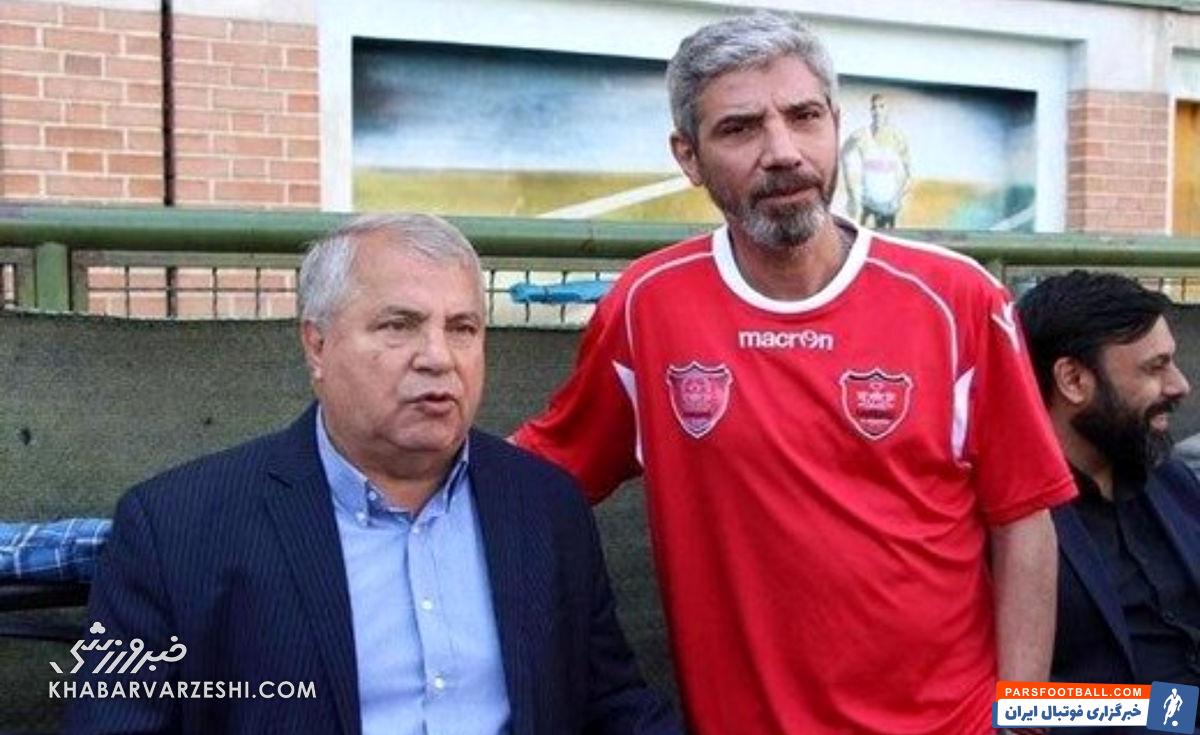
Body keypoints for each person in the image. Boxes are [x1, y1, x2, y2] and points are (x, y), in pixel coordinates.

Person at [513, 13, 1074, 735]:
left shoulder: (958, 298)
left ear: (836, 124)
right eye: (739, 128)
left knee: (1166, 712)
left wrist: (1021, 720)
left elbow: (1023, 518)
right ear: (688, 156)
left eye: (804, 116)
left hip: (957, 723)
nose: (782, 151)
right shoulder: (646, 306)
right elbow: (536, 477)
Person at [66, 215, 680, 735]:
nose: (438, 357)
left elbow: (611, 704)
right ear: (317, 346)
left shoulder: (545, 507)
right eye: (398, 325)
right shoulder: (173, 529)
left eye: (462, 328)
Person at [1019, 271, 1200, 694]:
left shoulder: (1173, 482)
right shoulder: (1009, 522)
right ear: (1073, 380)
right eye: (1155, 368)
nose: (1179, 385)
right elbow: (1021, 703)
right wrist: (1174, 714)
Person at [840, 92, 912, 228]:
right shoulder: (860, 135)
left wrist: (898, 197)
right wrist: (851, 195)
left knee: (887, 239)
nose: (877, 111)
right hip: (867, 207)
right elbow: (843, 155)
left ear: (887, 110)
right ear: (870, 110)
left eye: (881, 106)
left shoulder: (897, 137)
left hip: (889, 208)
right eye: (874, 107)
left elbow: (909, 175)